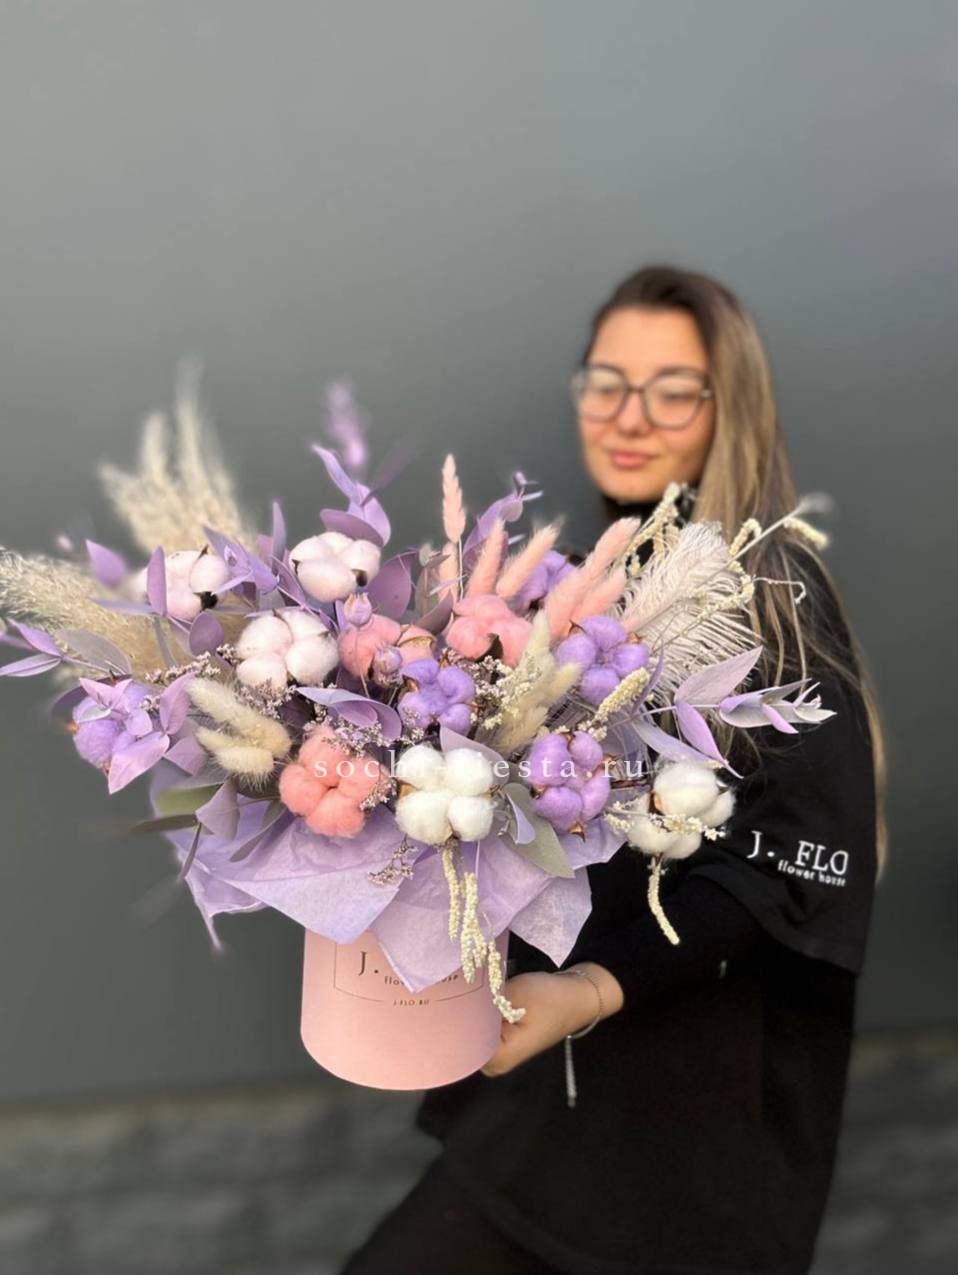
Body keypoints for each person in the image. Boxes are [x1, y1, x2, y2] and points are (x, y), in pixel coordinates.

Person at [338, 264, 888, 1275]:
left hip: (681, 1135)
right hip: (552, 1095)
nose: (629, 417)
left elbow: (786, 863)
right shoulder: (602, 578)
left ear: (731, 406)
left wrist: (590, 989)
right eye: (606, 382)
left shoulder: (768, 594)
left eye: (672, 389)